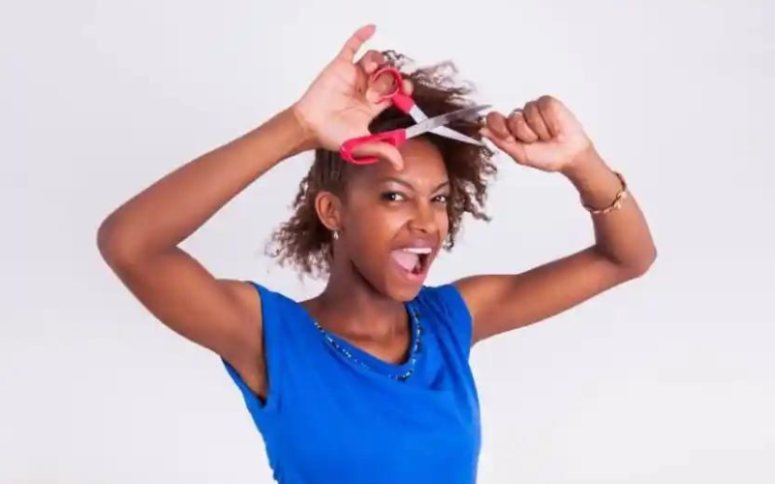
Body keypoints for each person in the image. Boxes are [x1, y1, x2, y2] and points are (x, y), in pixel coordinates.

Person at [97, 24, 656, 484]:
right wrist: (298, 129)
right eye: (394, 196)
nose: (426, 222)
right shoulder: (270, 336)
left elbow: (625, 258)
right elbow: (131, 244)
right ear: (332, 212)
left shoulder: (450, 322)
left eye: (438, 200)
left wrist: (581, 162)